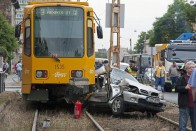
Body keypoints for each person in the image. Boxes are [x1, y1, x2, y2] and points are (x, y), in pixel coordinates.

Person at [176, 61, 195, 131]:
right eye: (190, 68)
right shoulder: (182, 78)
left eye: (193, 67)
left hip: (194, 106)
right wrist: (184, 87)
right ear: (186, 69)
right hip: (184, 105)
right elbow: (176, 88)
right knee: (182, 126)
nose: (192, 69)